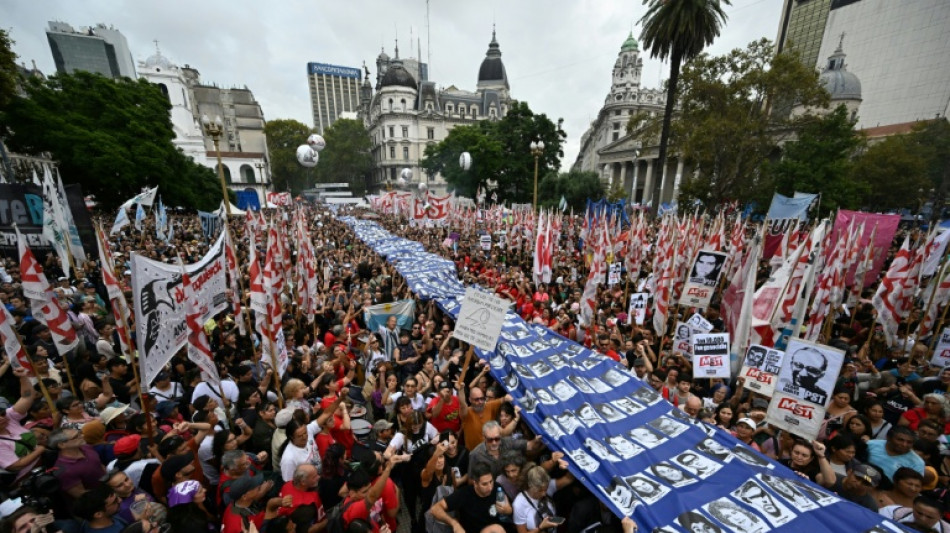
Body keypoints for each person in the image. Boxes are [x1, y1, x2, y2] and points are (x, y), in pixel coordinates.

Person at [429, 461, 510, 533]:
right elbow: (435, 509)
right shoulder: (464, 494)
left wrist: (507, 510)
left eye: (491, 482)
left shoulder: (497, 488)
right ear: (475, 483)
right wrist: (454, 524)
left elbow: (510, 510)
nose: (490, 487)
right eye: (484, 484)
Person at [879, 495, 950, 533]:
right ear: (913, 506)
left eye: (929, 517)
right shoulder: (891, 512)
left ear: (941, 516)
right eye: (919, 513)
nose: (922, 518)